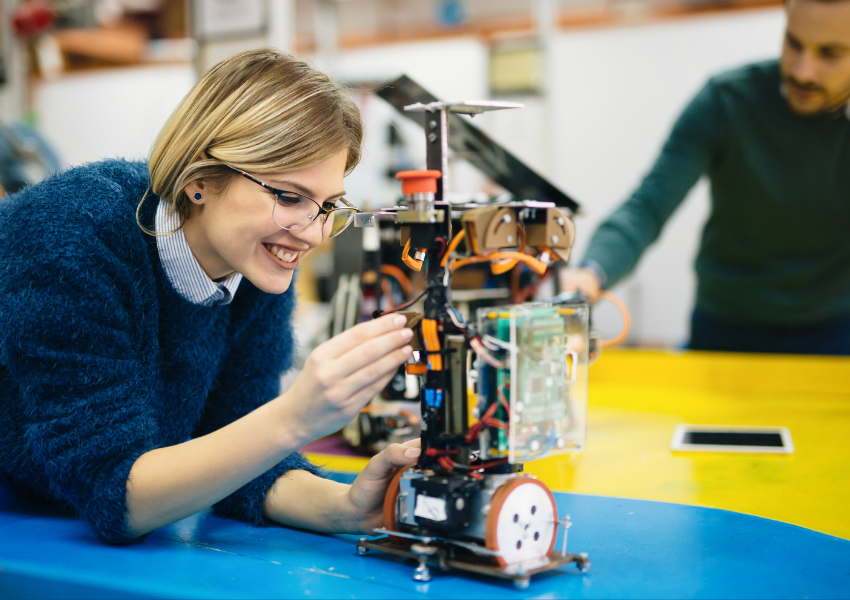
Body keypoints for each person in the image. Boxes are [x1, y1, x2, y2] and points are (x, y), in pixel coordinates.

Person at [0, 49, 421, 544]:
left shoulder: (254, 264)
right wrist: (294, 417)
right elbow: (115, 489)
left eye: (327, 205)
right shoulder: (72, 239)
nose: (312, 233)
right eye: (289, 197)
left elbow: (238, 455)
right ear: (200, 182)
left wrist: (344, 508)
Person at [559, 0, 850, 355]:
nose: (803, 71)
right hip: (728, 327)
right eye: (794, 44)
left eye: (830, 54)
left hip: (835, 331)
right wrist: (591, 273)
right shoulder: (726, 101)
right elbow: (648, 206)